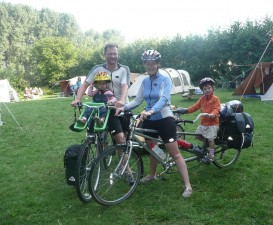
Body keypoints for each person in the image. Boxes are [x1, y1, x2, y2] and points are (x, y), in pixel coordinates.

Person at [116, 50, 192, 198]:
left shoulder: (165, 80)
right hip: (150, 120)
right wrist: (123, 107)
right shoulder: (144, 81)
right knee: (151, 149)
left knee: (175, 153)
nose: (149, 66)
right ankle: (152, 175)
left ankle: (188, 185)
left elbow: (164, 98)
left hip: (164, 119)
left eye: (152, 63)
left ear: (158, 63)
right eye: (146, 63)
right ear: (144, 64)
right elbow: (138, 100)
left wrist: (151, 111)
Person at [71, 43, 131, 145]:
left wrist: (121, 100)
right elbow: (84, 85)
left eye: (115, 53)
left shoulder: (124, 69)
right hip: (106, 106)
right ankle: (106, 150)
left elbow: (124, 85)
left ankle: (122, 157)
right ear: (104, 54)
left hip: (120, 106)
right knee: (119, 138)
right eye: (110, 54)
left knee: (125, 137)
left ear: (118, 54)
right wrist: (77, 99)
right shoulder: (98, 69)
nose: (113, 56)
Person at [178, 77, 220, 162]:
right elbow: (195, 107)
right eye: (205, 89)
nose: (207, 90)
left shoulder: (215, 99)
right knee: (197, 136)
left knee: (211, 139)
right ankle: (206, 145)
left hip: (212, 124)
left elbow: (217, 108)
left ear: (213, 88)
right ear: (202, 90)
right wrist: (186, 111)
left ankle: (211, 154)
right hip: (204, 123)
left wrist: (213, 114)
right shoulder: (202, 99)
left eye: (209, 88)